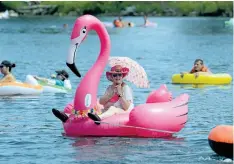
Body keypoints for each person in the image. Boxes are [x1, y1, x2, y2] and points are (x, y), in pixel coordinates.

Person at [52, 65, 134, 125]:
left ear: (122, 76)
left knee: (112, 108)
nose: (117, 77)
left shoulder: (125, 88)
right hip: (110, 109)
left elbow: (126, 107)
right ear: (112, 77)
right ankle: (68, 116)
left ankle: (99, 119)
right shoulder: (110, 88)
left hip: (124, 111)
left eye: (119, 75)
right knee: (94, 109)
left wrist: (119, 94)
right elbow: (102, 102)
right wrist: (110, 95)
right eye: (115, 75)